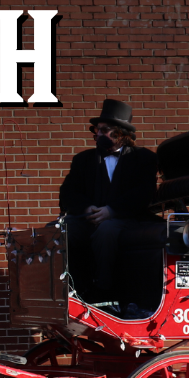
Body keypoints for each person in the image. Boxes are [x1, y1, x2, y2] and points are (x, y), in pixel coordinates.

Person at [59, 99, 159, 304]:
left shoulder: (144, 158)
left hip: (127, 218)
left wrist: (112, 211)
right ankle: (69, 289)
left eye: (105, 130)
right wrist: (87, 208)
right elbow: (67, 192)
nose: (98, 134)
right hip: (88, 218)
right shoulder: (83, 159)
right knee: (61, 230)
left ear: (121, 133)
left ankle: (103, 289)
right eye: (97, 130)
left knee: (107, 230)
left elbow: (144, 193)